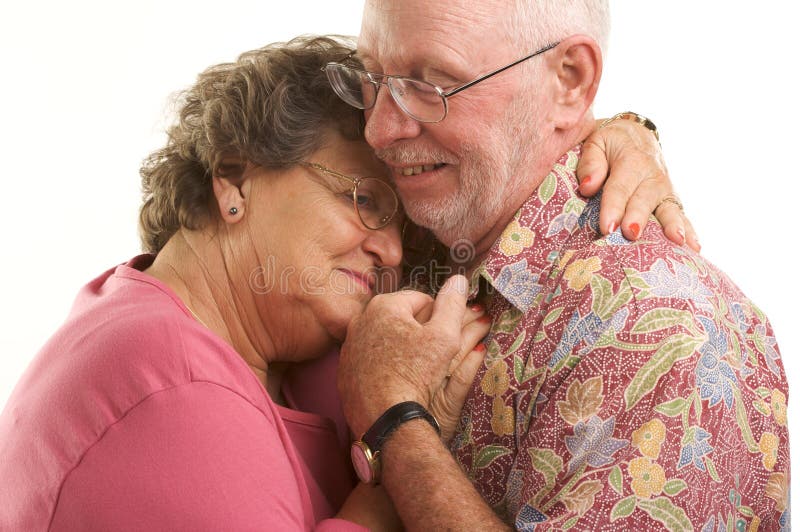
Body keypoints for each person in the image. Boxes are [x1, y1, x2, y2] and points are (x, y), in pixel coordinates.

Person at [0, 34, 686, 530]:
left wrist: (616, 133)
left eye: (402, 226)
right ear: (235, 180)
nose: (389, 247)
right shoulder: (169, 388)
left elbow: (495, 157)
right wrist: (393, 452)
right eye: (363, 199)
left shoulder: (273, 342)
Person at [333, 1, 790, 530]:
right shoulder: (414, 225)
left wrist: (394, 420)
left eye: (432, 85)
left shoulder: (659, 327)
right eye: (372, 79)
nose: (379, 130)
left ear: (571, 80)